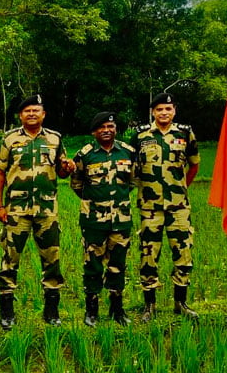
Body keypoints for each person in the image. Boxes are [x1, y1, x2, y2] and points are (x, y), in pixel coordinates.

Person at [0, 94, 75, 329]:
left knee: (52, 260)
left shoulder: (55, 138)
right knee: (10, 259)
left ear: (43, 114)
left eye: (36, 110)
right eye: (27, 111)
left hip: (47, 210)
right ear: (21, 115)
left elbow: (61, 172)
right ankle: (6, 311)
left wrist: (67, 168)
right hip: (16, 210)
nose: (31, 114)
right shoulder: (9, 139)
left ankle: (51, 311)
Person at [129, 93, 200, 323]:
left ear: (174, 110)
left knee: (183, 253)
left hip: (179, 207)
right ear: (153, 112)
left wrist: (181, 189)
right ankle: (149, 305)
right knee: (149, 255)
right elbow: (133, 170)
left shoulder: (185, 132)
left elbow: (194, 165)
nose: (164, 113)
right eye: (159, 109)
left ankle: (181, 302)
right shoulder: (140, 135)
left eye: (168, 109)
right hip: (150, 208)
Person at [70, 112, 136, 327]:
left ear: (116, 129)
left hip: (121, 219)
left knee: (118, 265)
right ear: (94, 132)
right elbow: (76, 184)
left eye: (110, 126)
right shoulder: (84, 155)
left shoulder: (128, 152)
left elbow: (132, 182)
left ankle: (117, 309)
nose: (106, 130)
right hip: (93, 221)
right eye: (101, 127)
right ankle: (92, 311)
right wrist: (95, 201)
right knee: (93, 265)